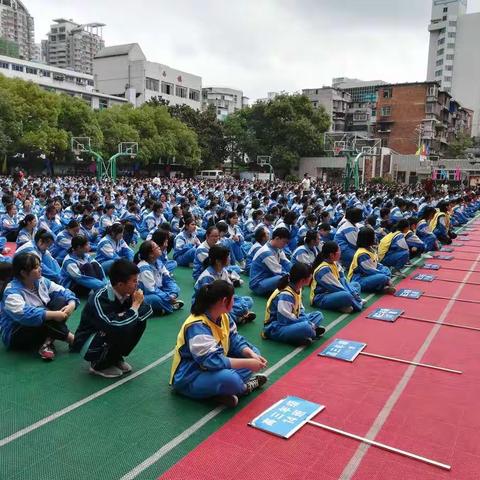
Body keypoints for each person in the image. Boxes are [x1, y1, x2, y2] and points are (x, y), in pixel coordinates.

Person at [170, 280, 268, 407]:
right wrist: (248, 363)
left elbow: (234, 339)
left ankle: (220, 392)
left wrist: (250, 354)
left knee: (254, 353)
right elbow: (212, 361)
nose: (235, 301)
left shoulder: (224, 316)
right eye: (233, 298)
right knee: (230, 379)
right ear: (224, 301)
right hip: (191, 376)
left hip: (213, 369)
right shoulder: (197, 326)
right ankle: (244, 388)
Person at [72, 259, 153, 378]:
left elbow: (147, 311)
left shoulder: (128, 293)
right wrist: (134, 306)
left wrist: (127, 314)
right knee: (117, 326)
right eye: (134, 281)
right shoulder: (100, 298)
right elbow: (113, 325)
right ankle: (98, 364)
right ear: (120, 284)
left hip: (108, 331)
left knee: (138, 321)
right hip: (88, 340)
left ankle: (114, 358)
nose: (138, 283)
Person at [0, 252, 78, 360]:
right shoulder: (11, 292)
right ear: (23, 273)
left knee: (61, 301)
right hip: (16, 333)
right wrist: (53, 314)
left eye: (39, 265)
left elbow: (62, 291)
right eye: (36, 267)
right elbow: (26, 315)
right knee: (41, 316)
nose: (40, 269)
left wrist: (72, 304)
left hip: (38, 326)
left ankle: (47, 343)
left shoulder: (40, 281)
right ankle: (72, 339)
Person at [263, 263, 325, 346]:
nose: (311, 277)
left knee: (318, 315)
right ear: (303, 280)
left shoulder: (297, 288)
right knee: (306, 327)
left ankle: (305, 333)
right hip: (276, 327)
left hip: (292, 320)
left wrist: (305, 321)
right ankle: (306, 333)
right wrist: (307, 323)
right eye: (310, 275)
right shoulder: (286, 294)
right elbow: (284, 320)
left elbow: (300, 310)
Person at [195, 245, 255, 326]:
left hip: (222, 300)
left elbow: (230, 291)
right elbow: (210, 302)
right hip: (207, 306)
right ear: (218, 261)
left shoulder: (223, 271)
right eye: (227, 257)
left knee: (248, 300)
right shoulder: (208, 277)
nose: (229, 259)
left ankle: (239, 316)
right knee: (227, 313)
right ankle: (238, 317)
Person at [310, 241, 363, 313]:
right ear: (332, 255)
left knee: (356, 284)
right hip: (322, 297)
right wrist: (357, 301)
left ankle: (343, 305)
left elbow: (343, 282)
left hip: (334, 291)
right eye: (339, 251)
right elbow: (337, 287)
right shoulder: (323, 270)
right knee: (346, 295)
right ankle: (347, 304)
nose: (340, 252)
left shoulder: (335, 264)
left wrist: (353, 294)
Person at [135, 240, 183, 315]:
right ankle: (167, 307)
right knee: (156, 299)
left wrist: (172, 294)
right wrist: (168, 297)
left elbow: (168, 279)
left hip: (158, 289)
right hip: (145, 295)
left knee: (176, 288)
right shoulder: (144, 268)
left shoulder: (158, 262)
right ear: (151, 254)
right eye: (157, 247)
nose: (159, 248)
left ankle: (164, 307)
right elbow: (152, 290)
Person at [347, 227, 395, 294]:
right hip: (359, 279)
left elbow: (376, 264)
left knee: (386, 269)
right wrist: (386, 278)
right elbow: (370, 271)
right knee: (382, 277)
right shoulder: (362, 254)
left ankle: (380, 286)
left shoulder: (370, 249)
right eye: (373, 236)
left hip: (368, 275)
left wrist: (384, 271)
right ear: (369, 238)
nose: (375, 237)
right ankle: (379, 288)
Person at [249, 227, 292, 297]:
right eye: (284, 241)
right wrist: (295, 278)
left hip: (268, 279)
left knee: (288, 278)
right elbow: (279, 271)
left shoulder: (278, 249)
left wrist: (296, 271)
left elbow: (286, 263)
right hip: (257, 285)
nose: (285, 245)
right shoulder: (266, 252)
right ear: (277, 238)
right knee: (282, 278)